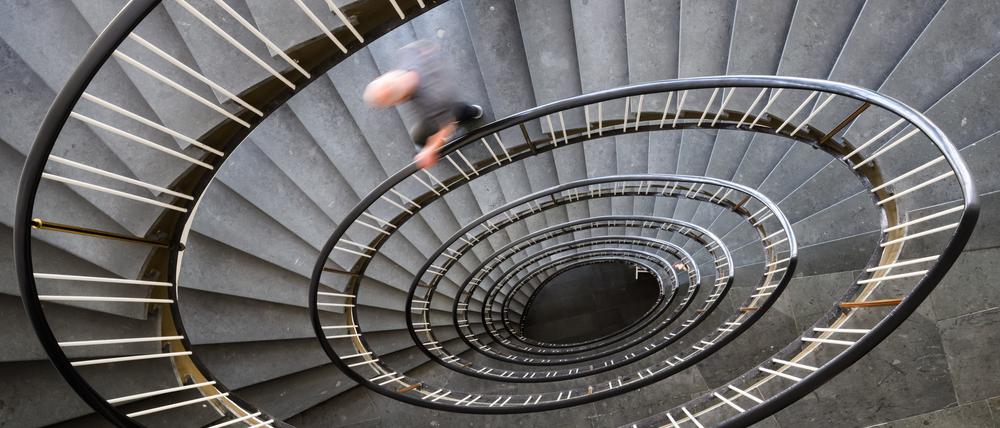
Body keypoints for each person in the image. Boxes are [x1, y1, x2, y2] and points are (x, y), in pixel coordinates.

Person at [363, 40, 483, 169]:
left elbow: (447, 128)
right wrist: (430, 52)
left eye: (390, 103)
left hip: (442, 104)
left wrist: (430, 150)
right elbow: (422, 46)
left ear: (398, 100)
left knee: (436, 124)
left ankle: (471, 112)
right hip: (442, 99)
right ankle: (473, 111)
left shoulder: (433, 101)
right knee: (455, 110)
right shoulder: (407, 55)